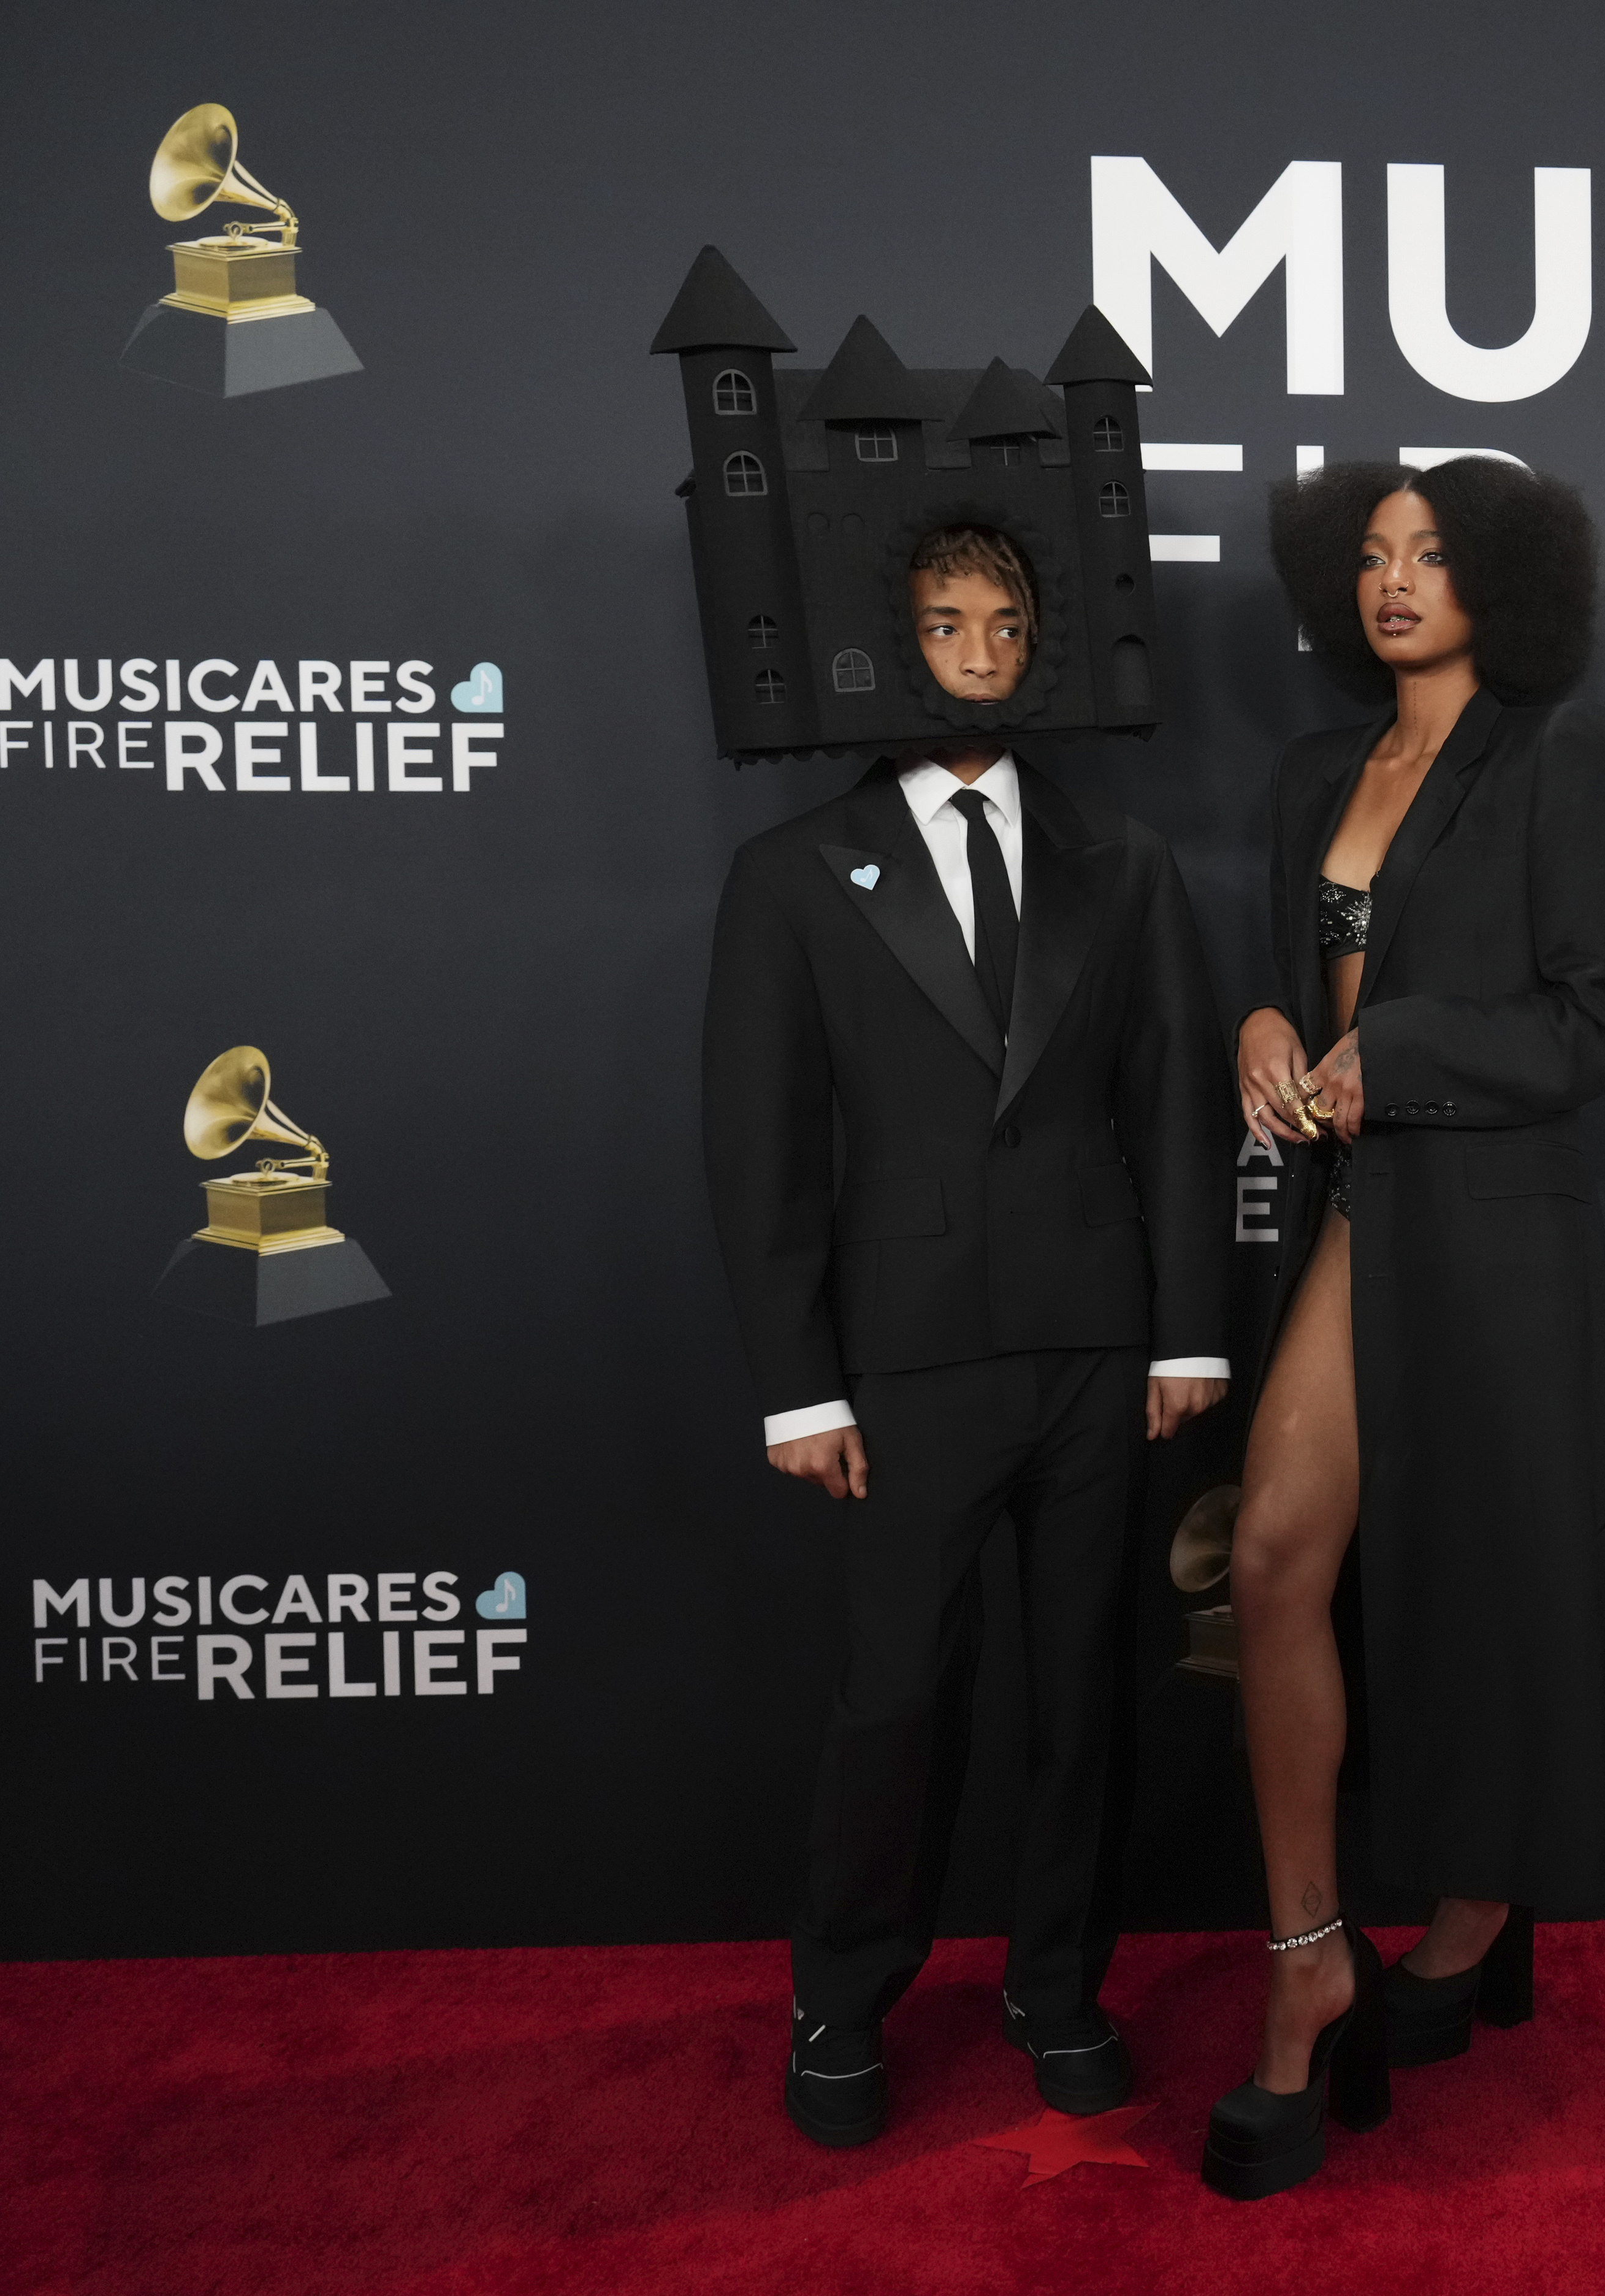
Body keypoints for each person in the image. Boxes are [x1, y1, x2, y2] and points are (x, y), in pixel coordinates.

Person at [702, 523, 1232, 2148]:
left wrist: (1188, 1339)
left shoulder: (1123, 864)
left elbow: (1182, 1114)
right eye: (948, 619)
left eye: (1008, 621)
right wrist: (798, 1382)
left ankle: (1057, 1988)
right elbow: (762, 1144)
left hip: (1096, 1354)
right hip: (903, 1361)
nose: (983, 647)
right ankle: (843, 2001)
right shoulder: (795, 871)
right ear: (894, 640)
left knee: (1083, 1694)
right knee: (892, 1700)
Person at [1200, 459, 1605, 2200]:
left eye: (1435, 554)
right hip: (1349, 1212)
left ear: (1505, 580)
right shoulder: (1318, 768)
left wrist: (1412, 1056)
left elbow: (1604, 1019)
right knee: (1273, 1561)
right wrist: (1260, 1018)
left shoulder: (1562, 750)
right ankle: (1310, 1952)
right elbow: (1281, 962)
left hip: (1491, 1226)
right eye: (1375, 555)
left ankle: (1479, 1901)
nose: (1397, 582)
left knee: (1488, 1576)